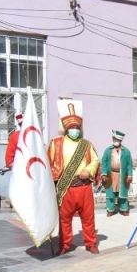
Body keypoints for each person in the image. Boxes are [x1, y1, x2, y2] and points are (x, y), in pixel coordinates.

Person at [47, 108, 100, 254]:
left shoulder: (86, 144)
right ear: (66, 129)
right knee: (64, 219)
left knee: (88, 218)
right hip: (66, 187)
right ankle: (64, 245)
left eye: (77, 127)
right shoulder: (56, 143)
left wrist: (88, 170)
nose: (75, 130)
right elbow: (48, 163)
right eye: (72, 128)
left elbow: (95, 160)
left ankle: (91, 243)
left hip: (84, 186)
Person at [100, 130, 134, 217]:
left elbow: (130, 164)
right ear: (112, 138)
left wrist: (130, 175)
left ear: (121, 140)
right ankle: (110, 210)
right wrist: (103, 174)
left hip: (122, 175)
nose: (116, 141)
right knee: (110, 193)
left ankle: (124, 209)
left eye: (118, 139)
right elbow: (104, 162)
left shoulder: (126, 151)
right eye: (114, 139)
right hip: (110, 174)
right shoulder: (108, 150)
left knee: (122, 193)